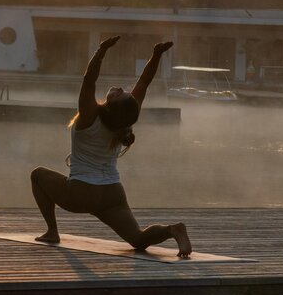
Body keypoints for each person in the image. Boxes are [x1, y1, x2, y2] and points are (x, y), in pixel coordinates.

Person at [30, 36, 192, 258]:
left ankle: (52, 231)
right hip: (112, 193)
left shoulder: (89, 117)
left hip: (82, 192)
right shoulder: (123, 123)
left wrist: (101, 50)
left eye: (118, 94)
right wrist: (156, 56)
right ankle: (172, 230)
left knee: (37, 175)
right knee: (138, 239)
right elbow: (144, 83)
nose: (118, 89)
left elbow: (89, 80)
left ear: (112, 105)